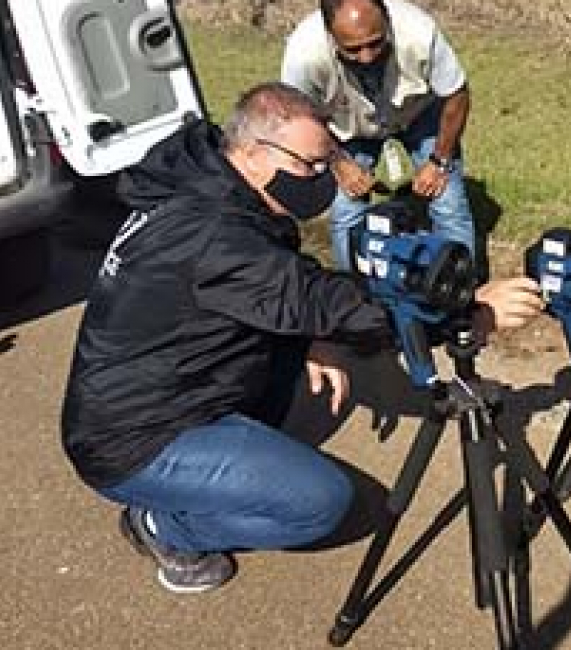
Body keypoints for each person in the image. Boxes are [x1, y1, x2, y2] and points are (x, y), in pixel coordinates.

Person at [59, 82, 545, 594]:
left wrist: (314, 337)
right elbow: (319, 299)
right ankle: (165, 526)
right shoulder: (214, 233)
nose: (321, 179)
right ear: (252, 153)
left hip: (181, 386)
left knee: (321, 381)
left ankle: (230, 468)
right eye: (310, 166)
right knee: (323, 503)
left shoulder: (215, 187)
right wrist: (470, 312)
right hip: (135, 438)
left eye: (326, 162)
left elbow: (276, 293)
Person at [281, 0, 475, 272]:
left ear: (387, 21)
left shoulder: (419, 32)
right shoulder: (303, 54)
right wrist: (339, 163)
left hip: (418, 112)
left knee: (448, 203)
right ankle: (353, 299)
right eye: (352, 49)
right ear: (329, 34)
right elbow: (299, 118)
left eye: (375, 43)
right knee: (347, 210)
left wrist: (439, 161)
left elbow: (457, 94)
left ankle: (461, 290)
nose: (367, 57)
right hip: (349, 125)